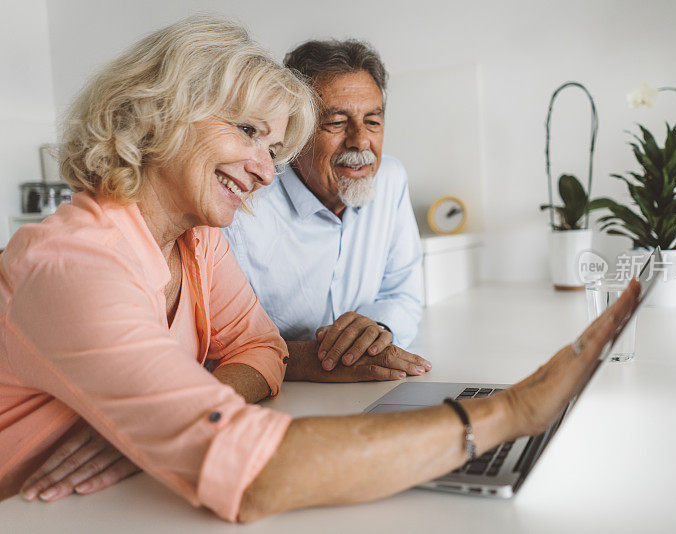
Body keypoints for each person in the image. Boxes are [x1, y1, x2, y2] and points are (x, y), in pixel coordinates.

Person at [0, 16, 640, 523]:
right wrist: (511, 412)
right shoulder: (75, 264)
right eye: (248, 131)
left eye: (272, 147)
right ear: (160, 114)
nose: (261, 167)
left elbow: (261, 346)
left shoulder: (196, 238)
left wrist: (171, 420)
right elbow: (253, 476)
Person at [223, 39, 423, 375]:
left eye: (372, 121)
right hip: (279, 395)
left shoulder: (390, 179)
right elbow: (221, 340)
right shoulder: (243, 199)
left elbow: (403, 294)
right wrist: (316, 359)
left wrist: (375, 332)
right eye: (337, 122)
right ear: (293, 130)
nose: (360, 140)